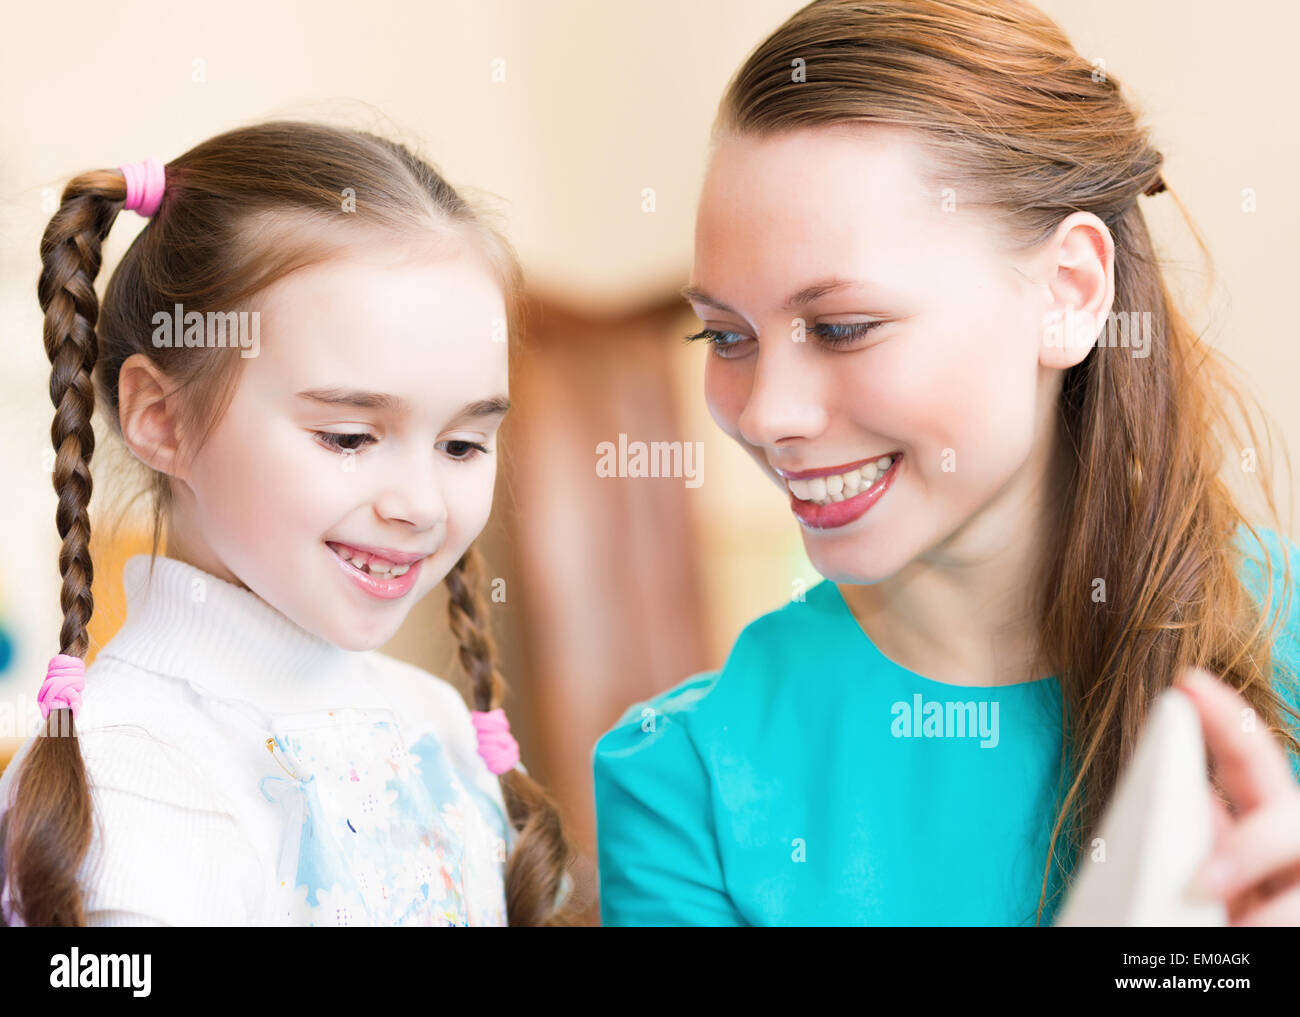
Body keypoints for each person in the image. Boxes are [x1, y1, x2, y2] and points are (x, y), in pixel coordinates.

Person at [592, 0, 1300, 926]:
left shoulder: (1275, 646)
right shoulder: (678, 783)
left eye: (843, 327)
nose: (766, 413)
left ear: (1070, 293)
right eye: (726, 336)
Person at [0, 120, 575, 926]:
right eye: (348, 436)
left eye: (462, 443)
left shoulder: (439, 727)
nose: (420, 501)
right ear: (162, 418)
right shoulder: (125, 774)